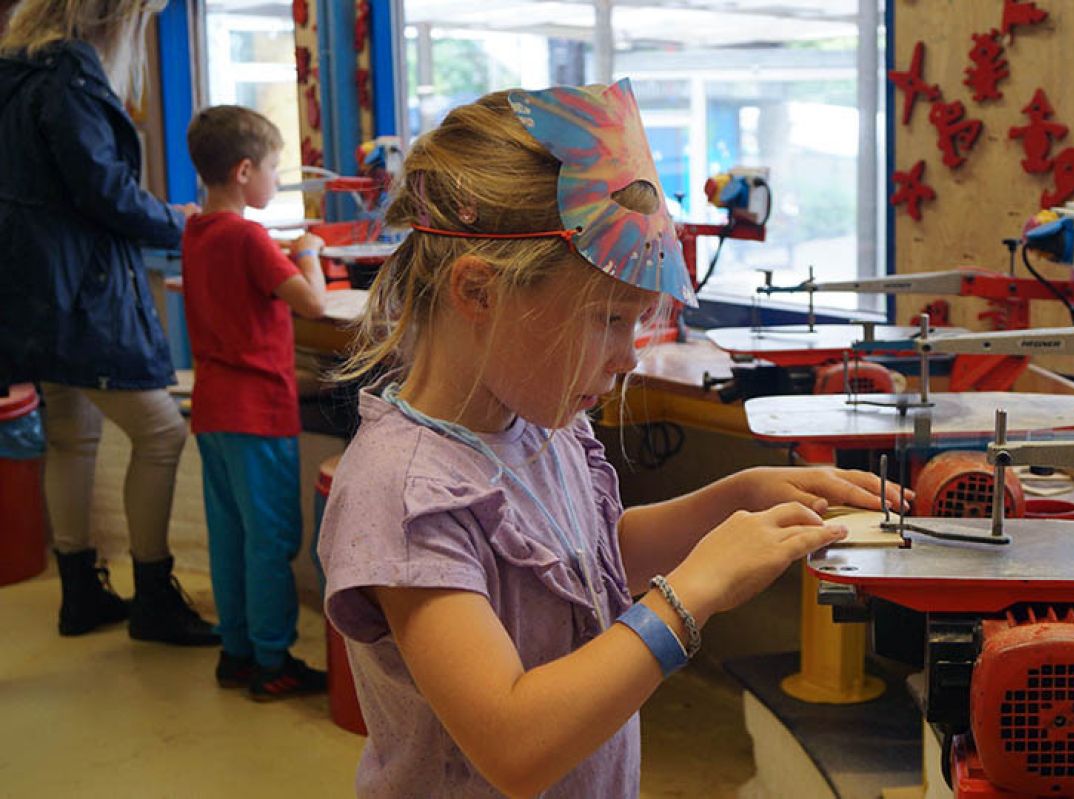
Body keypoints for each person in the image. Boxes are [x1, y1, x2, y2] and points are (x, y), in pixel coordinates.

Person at [317, 81, 911, 798]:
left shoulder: (538, 422)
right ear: (477, 292)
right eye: (606, 319)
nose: (628, 354)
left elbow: (582, 569)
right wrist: (691, 594)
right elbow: (514, 744)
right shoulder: (404, 491)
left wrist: (733, 501)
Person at [0, 0, 217, 645]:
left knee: (72, 435)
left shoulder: (14, 72)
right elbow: (101, 189)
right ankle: (153, 596)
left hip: (30, 288)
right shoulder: (69, 75)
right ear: (110, 18)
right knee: (160, 435)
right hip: (81, 290)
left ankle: (81, 592)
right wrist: (182, 224)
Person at [182, 105, 330, 699]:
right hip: (258, 413)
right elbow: (313, 304)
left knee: (231, 535)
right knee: (270, 539)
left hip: (213, 410)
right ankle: (274, 662)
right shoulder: (247, 236)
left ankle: (236, 650)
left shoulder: (196, 230)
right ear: (245, 171)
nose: (276, 179)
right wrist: (311, 250)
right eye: (274, 168)